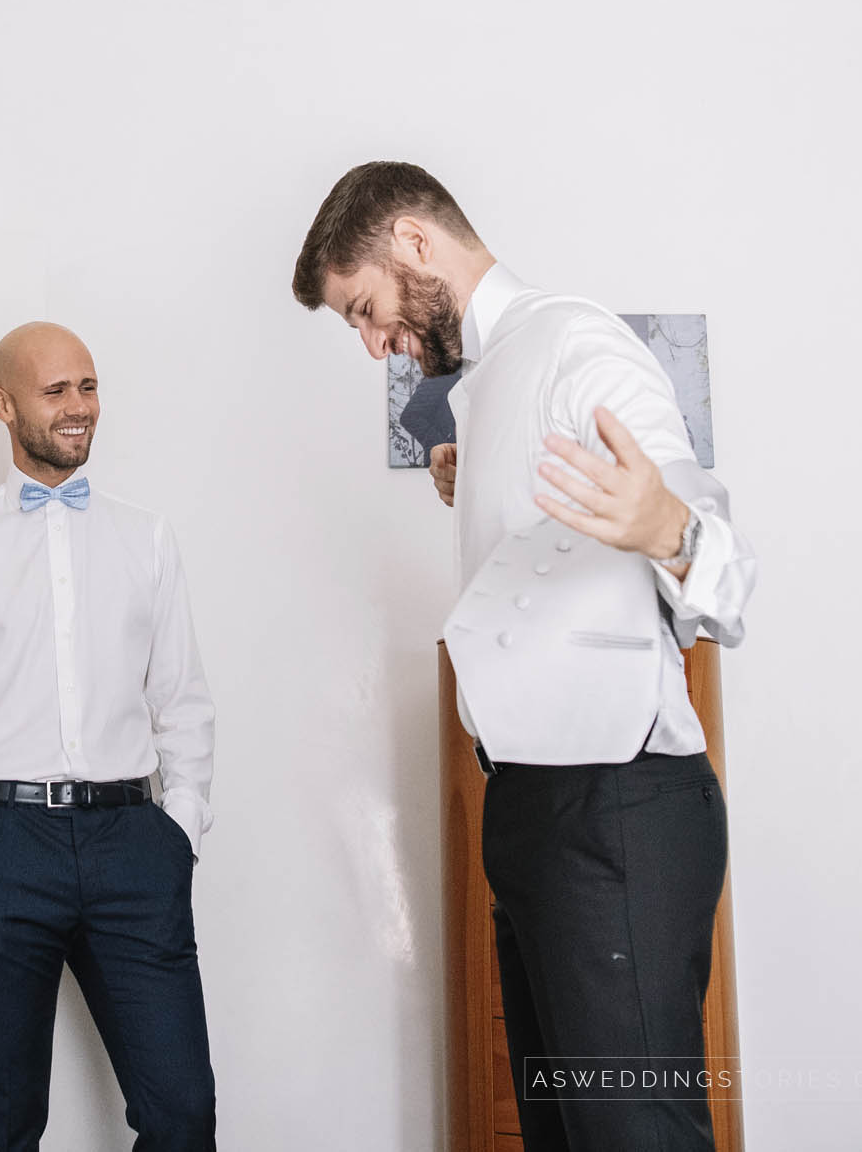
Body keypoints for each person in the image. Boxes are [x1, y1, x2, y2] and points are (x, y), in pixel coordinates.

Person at [292, 161, 758, 1151]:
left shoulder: (570, 340)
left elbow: (720, 561)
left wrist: (669, 525)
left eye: (364, 310)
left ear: (415, 243)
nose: (373, 341)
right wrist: (481, 479)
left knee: (635, 1138)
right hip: (533, 814)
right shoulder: (490, 382)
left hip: (615, 814)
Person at [0, 321, 218, 1152]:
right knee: (2, 1120)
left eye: (88, 387)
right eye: (56, 390)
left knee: (182, 1113)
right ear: (2, 402)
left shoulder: (148, 537)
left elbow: (183, 700)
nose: (79, 408)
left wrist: (182, 828)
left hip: (135, 843)